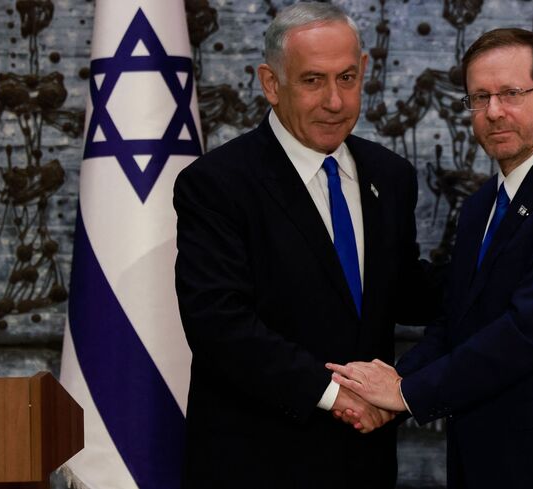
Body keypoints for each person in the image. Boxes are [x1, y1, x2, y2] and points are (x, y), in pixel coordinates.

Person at [328, 28, 533, 488]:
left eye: (510, 93)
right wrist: (392, 383)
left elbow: (528, 331)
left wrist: (406, 394)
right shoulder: (482, 204)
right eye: (479, 97)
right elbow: (456, 321)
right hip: (478, 454)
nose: (494, 112)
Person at [173, 3, 439, 488]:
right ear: (271, 84)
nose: (335, 101)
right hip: (257, 463)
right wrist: (337, 396)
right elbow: (219, 323)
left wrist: (501, 259)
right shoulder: (217, 184)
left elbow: (401, 291)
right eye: (313, 81)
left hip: (365, 463)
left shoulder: (390, 176)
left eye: (347, 78)